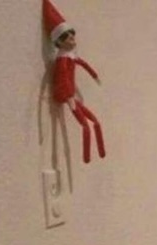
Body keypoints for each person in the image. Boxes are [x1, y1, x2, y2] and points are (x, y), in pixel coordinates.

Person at [43, 0, 105, 164]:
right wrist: (68, 94)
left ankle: (101, 151)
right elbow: (63, 75)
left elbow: (84, 65)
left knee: (95, 121)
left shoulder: (71, 58)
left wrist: (95, 76)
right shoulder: (62, 60)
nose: (71, 37)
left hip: (70, 95)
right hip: (65, 94)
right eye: (66, 36)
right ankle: (86, 157)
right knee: (85, 125)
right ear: (58, 42)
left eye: (72, 34)